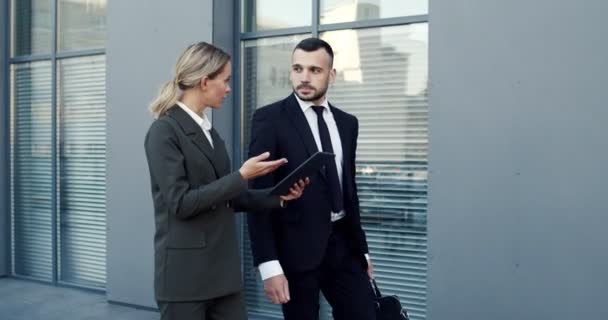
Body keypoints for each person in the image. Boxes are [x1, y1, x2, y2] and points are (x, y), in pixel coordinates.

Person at [144, 41, 308, 320]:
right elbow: (181, 203)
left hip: (223, 275)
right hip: (184, 279)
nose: (229, 88)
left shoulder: (210, 133)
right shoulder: (164, 132)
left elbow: (229, 197)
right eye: (226, 80)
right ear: (205, 81)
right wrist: (242, 176)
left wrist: (278, 196)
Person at [247, 37, 377, 320]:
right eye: (297, 69)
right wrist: (269, 265)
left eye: (314, 70)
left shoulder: (347, 123)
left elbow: (349, 189)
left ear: (331, 75)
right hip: (295, 253)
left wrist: (362, 250)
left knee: (367, 314)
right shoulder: (269, 119)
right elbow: (258, 197)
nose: (304, 78)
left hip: (344, 247)